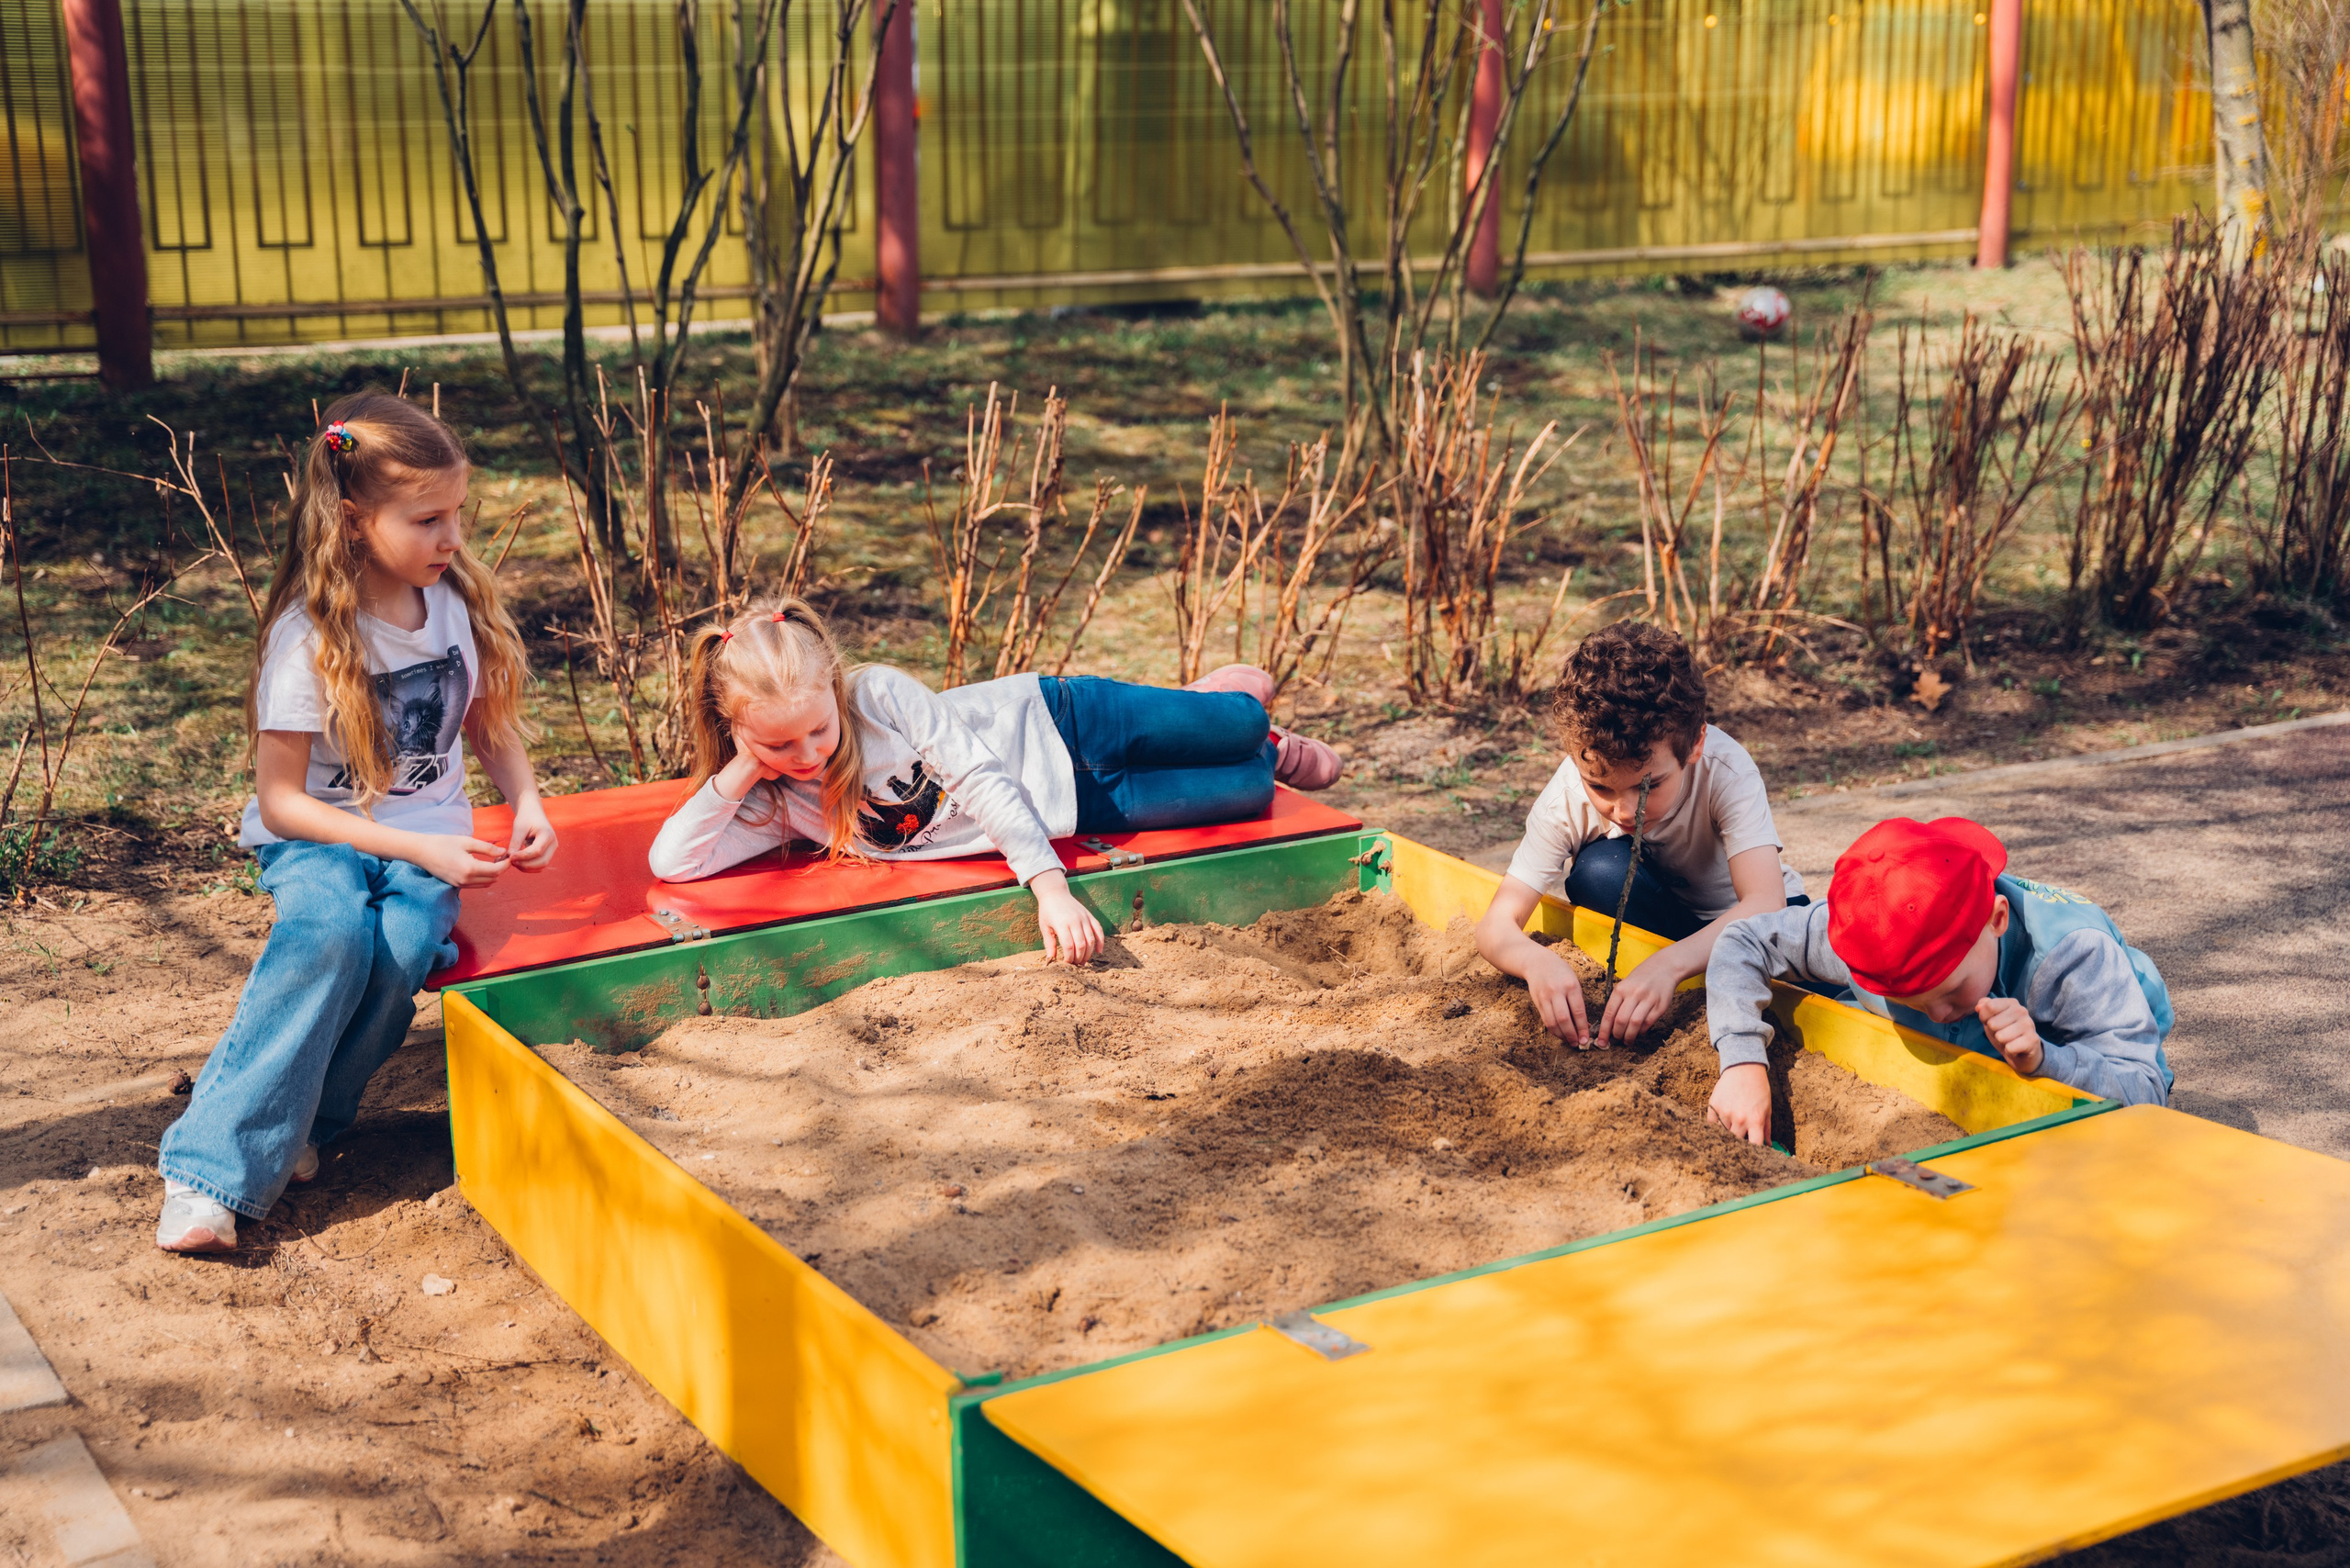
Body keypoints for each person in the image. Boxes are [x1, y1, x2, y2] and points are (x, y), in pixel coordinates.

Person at [155, 393, 557, 1253]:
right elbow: (282, 802)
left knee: (406, 945)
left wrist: (526, 800)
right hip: (322, 836)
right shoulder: (310, 637)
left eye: (458, 515)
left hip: (427, 841)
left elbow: (487, 725)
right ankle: (205, 1171)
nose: (453, 539)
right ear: (354, 520)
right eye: (428, 519)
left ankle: (308, 1120)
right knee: (331, 934)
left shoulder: (450, 605)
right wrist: (415, 843)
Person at [647, 599, 1341, 962]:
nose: (806, 754)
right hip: (1073, 803)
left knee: (1245, 726)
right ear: (736, 727)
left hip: (1065, 720)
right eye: (778, 741)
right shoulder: (779, 801)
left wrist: (1050, 889)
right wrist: (744, 769)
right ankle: (1250, 745)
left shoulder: (879, 694)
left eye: (819, 730)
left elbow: (976, 774)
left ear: (834, 689)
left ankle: (1236, 718)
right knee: (1251, 793)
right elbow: (674, 862)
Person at [1705, 815, 2173, 1145]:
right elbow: (1744, 941)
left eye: (1951, 992)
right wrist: (1742, 1061)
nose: (1939, 1014)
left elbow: (2145, 1092)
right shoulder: (1869, 929)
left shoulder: (2074, 957)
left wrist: (2043, 1059)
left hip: (2066, 1050)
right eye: (1909, 1001)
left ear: (1997, 919)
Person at [1474, 621, 1802, 1048]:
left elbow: (1765, 902)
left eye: (1649, 787)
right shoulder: (1566, 796)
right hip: (1670, 921)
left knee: (1828, 989)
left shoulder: (1725, 769)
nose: (1625, 811)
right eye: (1601, 787)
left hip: (1756, 924)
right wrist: (1536, 963)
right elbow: (1495, 926)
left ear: (1696, 745)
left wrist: (1667, 966)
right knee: (1597, 873)